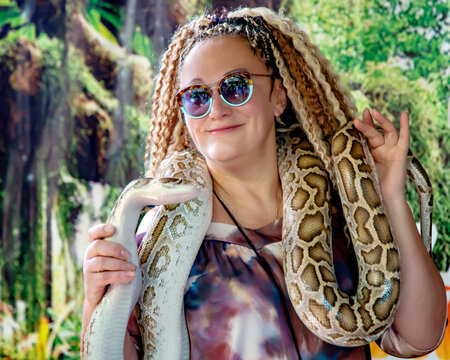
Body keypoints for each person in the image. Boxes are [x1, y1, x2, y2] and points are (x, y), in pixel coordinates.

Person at [81, 7, 446, 359]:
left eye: (236, 86)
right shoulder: (160, 234)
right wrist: (97, 300)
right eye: (196, 96)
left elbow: (420, 336)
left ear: (278, 96)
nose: (217, 109)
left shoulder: (341, 211)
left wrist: (390, 199)